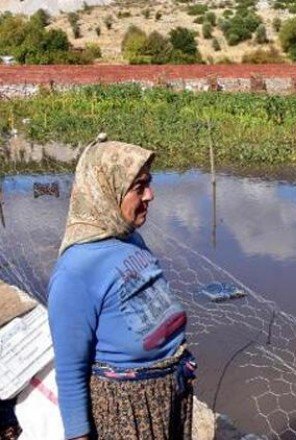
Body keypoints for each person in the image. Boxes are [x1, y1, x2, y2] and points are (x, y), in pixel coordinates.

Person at [48, 139, 195, 439]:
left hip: (170, 391)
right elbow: (70, 370)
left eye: (149, 183)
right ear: (107, 192)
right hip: (127, 410)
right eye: (139, 187)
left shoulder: (129, 239)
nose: (150, 195)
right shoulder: (75, 272)